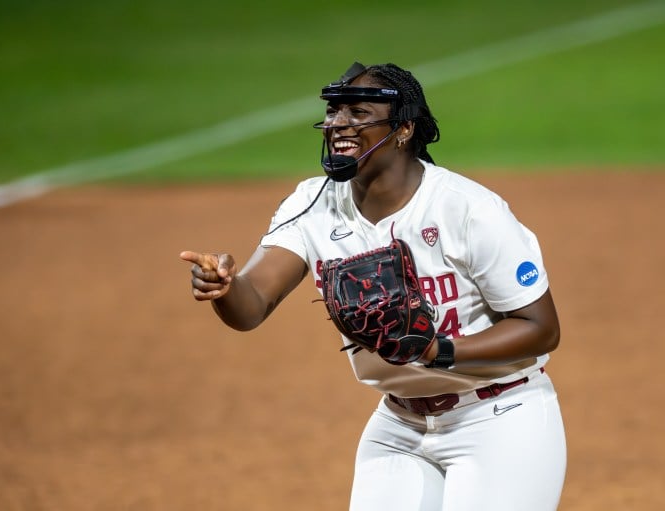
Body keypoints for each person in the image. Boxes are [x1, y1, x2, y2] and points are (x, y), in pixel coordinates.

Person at [180, 62, 566, 511]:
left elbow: (541, 327)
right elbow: (251, 306)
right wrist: (224, 287)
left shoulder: (467, 209)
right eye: (334, 113)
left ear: (403, 129)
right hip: (399, 426)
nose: (338, 124)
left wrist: (438, 352)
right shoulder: (312, 203)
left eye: (358, 113)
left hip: (500, 419)